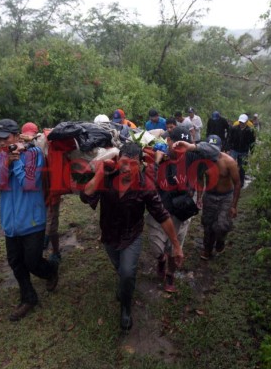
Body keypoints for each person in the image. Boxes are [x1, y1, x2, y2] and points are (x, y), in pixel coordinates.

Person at [80, 143, 183, 332]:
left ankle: (125, 309)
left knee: (127, 272)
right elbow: (86, 196)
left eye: (133, 164)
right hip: (109, 234)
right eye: (124, 163)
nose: (128, 168)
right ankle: (124, 287)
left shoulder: (146, 186)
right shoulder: (108, 178)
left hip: (131, 236)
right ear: (118, 161)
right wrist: (99, 174)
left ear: (141, 164)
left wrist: (176, 245)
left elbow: (162, 215)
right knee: (121, 270)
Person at [0, 118, 59, 322]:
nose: (1, 143)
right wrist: (5, 164)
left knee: (33, 262)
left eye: (5, 138)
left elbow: (28, 182)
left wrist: (15, 162)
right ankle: (28, 297)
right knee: (16, 262)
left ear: (16, 136)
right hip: (10, 224)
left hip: (32, 221)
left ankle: (51, 271)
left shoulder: (33, 154)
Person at [147, 126, 218, 292]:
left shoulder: (192, 156)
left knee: (175, 248)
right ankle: (160, 260)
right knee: (157, 248)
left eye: (183, 144)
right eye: (176, 144)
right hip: (160, 209)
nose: (179, 149)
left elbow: (215, 152)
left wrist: (193, 147)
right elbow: (148, 183)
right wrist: (156, 161)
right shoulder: (158, 153)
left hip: (181, 210)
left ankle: (170, 275)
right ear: (169, 141)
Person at [20, 122, 63, 264]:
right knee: (38, 223)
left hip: (51, 192)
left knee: (51, 227)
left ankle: (56, 252)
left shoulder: (46, 146)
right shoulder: (23, 152)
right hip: (36, 195)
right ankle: (44, 240)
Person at [197, 135, 241, 260]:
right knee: (208, 224)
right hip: (210, 195)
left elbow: (237, 183)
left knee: (221, 225)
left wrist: (233, 205)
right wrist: (199, 197)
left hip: (225, 197)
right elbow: (200, 179)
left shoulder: (229, 162)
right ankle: (207, 249)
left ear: (220, 148)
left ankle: (220, 241)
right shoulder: (203, 162)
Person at [226, 114, 256, 188]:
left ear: (246, 122)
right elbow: (230, 139)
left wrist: (252, 151)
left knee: (242, 167)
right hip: (234, 150)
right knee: (230, 165)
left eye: (243, 122)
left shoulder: (250, 131)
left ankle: (241, 182)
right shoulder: (234, 128)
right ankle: (229, 181)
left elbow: (252, 142)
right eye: (240, 122)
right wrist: (228, 149)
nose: (241, 124)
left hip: (244, 151)